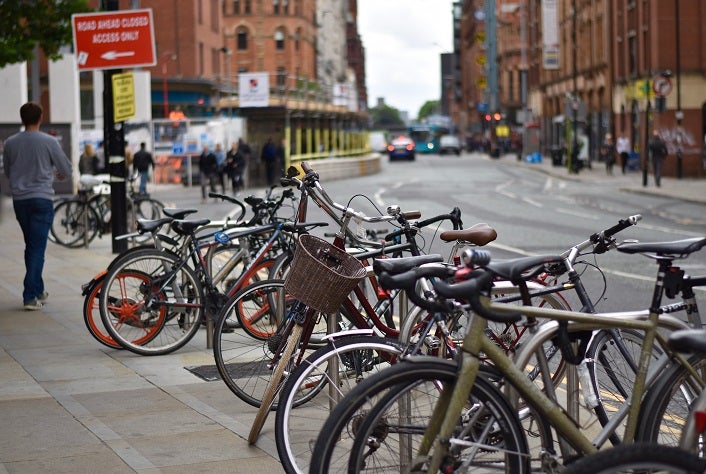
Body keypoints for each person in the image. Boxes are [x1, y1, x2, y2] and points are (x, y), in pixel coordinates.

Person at [2, 102, 72, 310]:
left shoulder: (11, 143)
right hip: (42, 198)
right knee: (37, 248)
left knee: (31, 246)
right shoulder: (49, 141)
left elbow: (7, 169)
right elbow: (66, 169)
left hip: (20, 200)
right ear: (40, 118)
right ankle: (30, 295)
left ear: (22, 119)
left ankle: (39, 288)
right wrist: (57, 174)